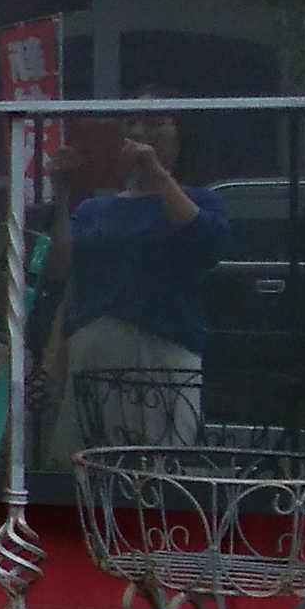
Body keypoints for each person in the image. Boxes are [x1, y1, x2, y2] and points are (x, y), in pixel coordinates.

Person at [42, 95, 233, 457]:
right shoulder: (95, 209)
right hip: (92, 348)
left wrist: (158, 175)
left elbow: (207, 244)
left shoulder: (201, 201)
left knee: (157, 459)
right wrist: (62, 195)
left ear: (181, 136)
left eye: (154, 123)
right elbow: (57, 267)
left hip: (162, 350)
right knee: (87, 456)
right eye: (131, 123)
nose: (140, 132)